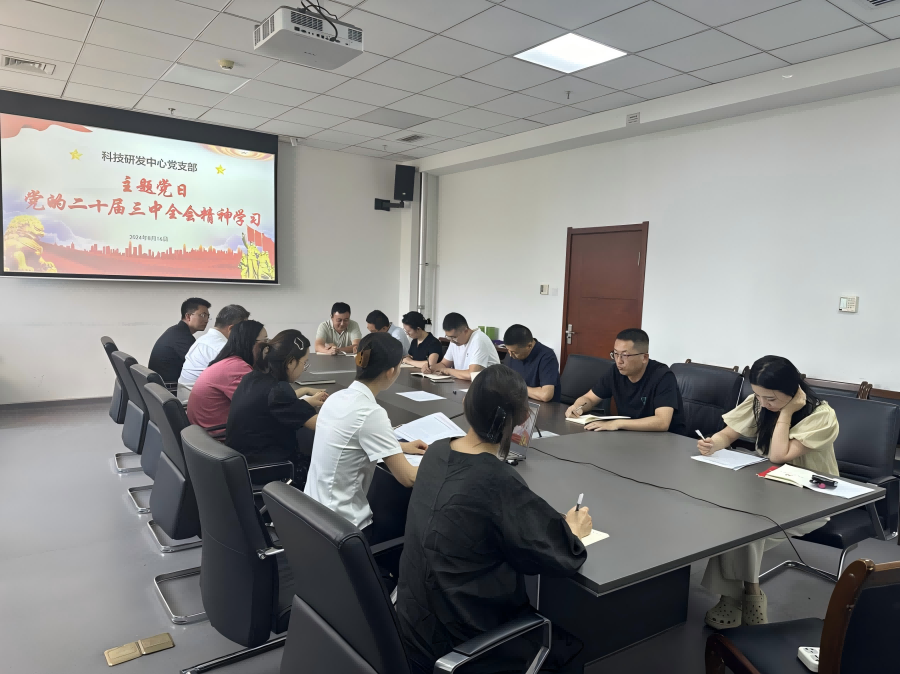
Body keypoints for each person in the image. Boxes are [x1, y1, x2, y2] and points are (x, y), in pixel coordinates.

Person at [396, 365, 592, 674]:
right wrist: (573, 530)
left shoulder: (435, 453)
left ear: (466, 404)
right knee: (573, 650)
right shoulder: (497, 481)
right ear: (521, 420)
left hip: (412, 633)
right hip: (466, 647)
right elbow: (560, 555)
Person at [697, 356, 839, 629]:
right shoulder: (760, 401)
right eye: (759, 396)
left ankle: (737, 596)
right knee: (737, 522)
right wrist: (713, 443)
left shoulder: (822, 415)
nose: (763, 403)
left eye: (770, 399)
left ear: (794, 391)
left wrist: (786, 413)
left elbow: (778, 455)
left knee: (748, 531)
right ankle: (746, 594)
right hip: (767, 488)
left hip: (813, 498)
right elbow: (727, 435)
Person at [305, 332, 427, 545]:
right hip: (344, 529)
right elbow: (408, 477)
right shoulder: (370, 413)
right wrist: (442, 460)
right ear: (392, 371)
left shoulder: (336, 398)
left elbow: (351, 439)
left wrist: (400, 446)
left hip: (313, 514)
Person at [227, 330, 329, 484]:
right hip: (268, 469)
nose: (304, 368)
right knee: (324, 464)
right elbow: (323, 425)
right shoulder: (278, 390)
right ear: (291, 362)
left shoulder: (252, 377)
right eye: (304, 363)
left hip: (242, 464)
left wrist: (307, 399)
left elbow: (274, 406)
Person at [565, 328, 687, 436]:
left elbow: (662, 422)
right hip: (630, 436)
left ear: (644, 358)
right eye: (615, 354)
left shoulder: (663, 376)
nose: (619, 361)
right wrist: (577, 407)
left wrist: (617, 423)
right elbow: (590, 398)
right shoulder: (616, 371)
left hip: (666, 441)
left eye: (625, 355)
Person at [186, 320, 266, 430]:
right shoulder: (237, 368)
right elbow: (260, 406)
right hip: (216, 434)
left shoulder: (228, 361)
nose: (268, 347)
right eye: (265, 341)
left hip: (202, 431)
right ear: (250, 342)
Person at [177, 304, 250, 401]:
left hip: (188, 400)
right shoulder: (221, 348)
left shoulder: (204, 340)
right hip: (198, 404)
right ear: (231, 329)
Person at [148, 298, 210, 384]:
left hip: (158, 388)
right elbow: (200, 365)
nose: (206, 320)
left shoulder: (176, 331)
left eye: (207, 316)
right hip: (169, 388)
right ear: (188, 316)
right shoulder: (183, 338)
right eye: (203, 315)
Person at [428, 312, 500, 380]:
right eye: (448, 337)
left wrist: (448, 371)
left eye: (454, 337)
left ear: (465, 331)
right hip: (464, 384)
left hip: (489, 386)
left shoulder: (479, 339)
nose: (451, 341)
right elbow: (444, 364)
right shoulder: (454, 341)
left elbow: (472, 374)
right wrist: (430, 368)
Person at [503, 324, 561, 403]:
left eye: (514, 352)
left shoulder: (547, 356)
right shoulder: (512, 353)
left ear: (529, 346)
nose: (510, 355)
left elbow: (546, 395)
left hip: (542, 406)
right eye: (508, 350)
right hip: (518, 402)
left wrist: (517, 387)